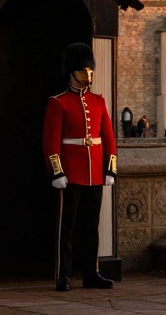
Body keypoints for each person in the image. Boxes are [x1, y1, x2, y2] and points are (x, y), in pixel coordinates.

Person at [42, 43, 118, 292]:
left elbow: (108, 137)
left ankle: (91, 273)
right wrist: (57, 171)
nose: (88, 76)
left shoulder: (98, 101)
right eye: (83, 71)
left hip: (95, 172)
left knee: (91, 226)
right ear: (71, 73)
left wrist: (110, 168)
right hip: (71, 173)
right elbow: (51, 141)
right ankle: (62, 274)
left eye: (90, 71)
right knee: (68, 227)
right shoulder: (58, 102)